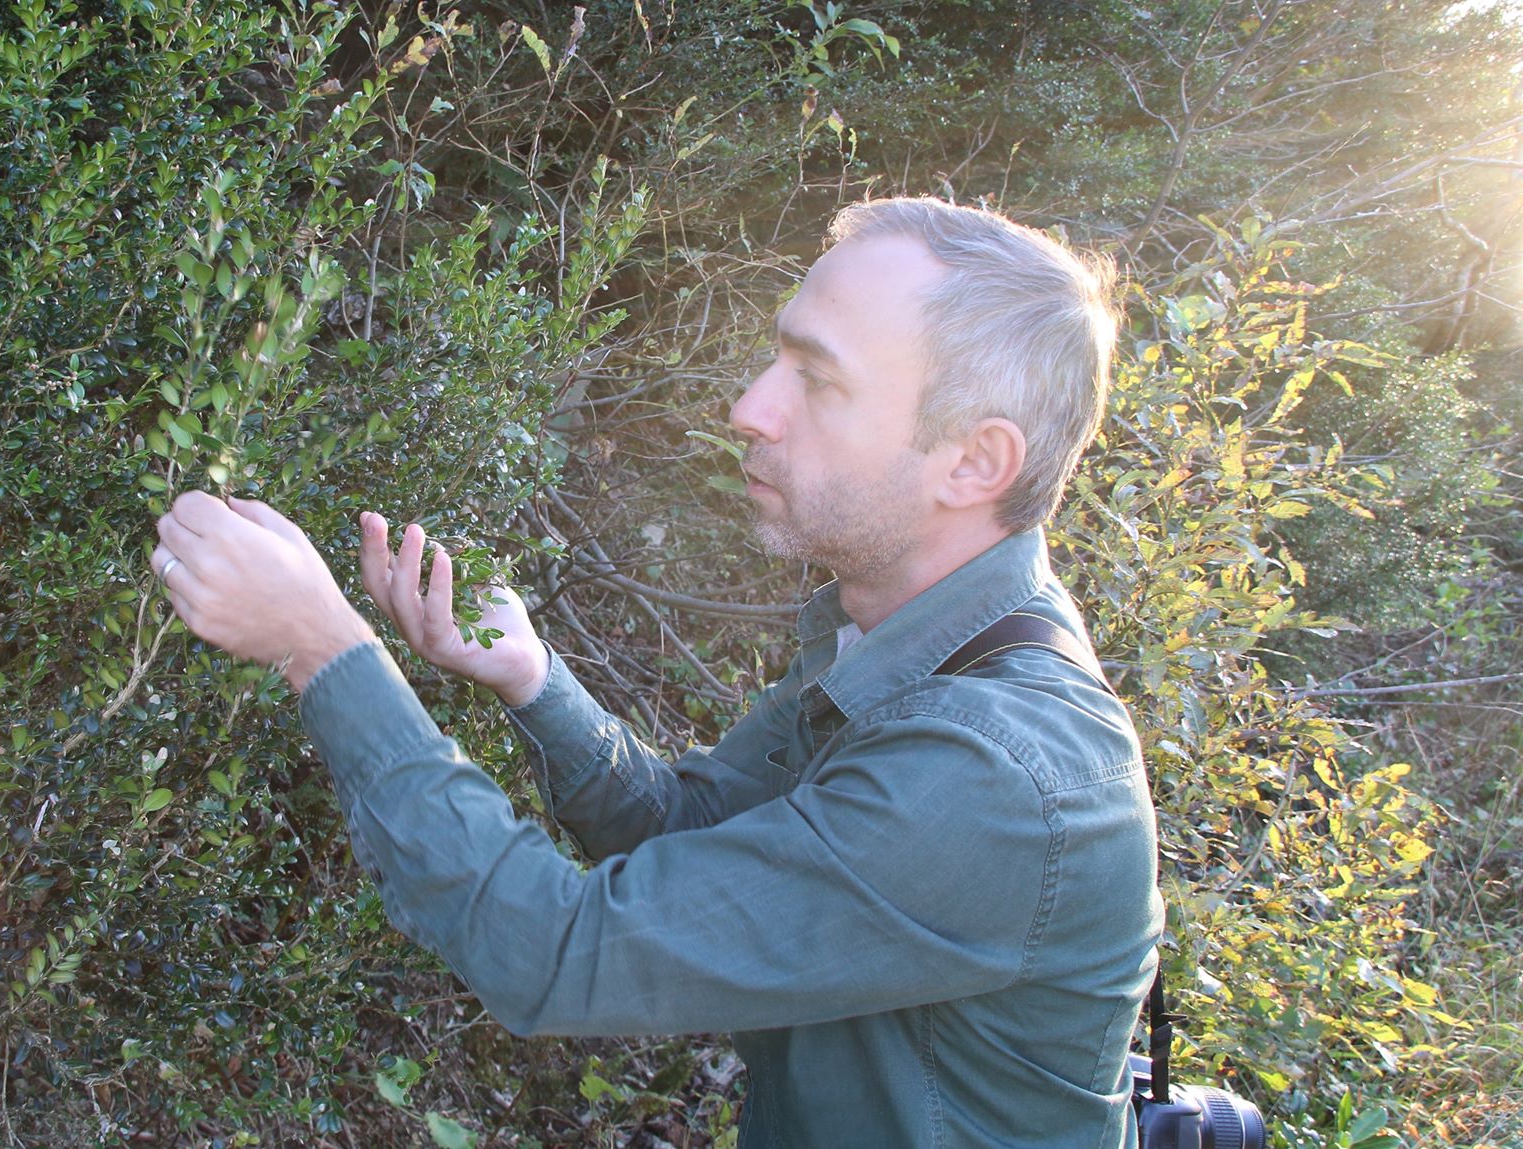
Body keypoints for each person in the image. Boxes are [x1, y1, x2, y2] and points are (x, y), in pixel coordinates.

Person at [146, 197, 1162, 1148]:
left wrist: (322, 648)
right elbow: (692, 832)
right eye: (775, 354)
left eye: (816, 378)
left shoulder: (993, 775)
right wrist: (533, 682)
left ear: (973, 464)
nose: (748, 407)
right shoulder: (902, 644)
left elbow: (553, 951)